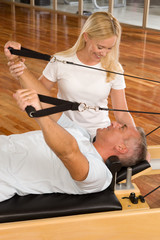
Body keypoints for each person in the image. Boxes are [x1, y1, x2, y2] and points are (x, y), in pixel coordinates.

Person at [4, 11, 135, 141]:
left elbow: (122, 113)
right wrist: (19, 67)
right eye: (100, 47)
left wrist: (138, 142)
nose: (104, 53)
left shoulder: (114, 68)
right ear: (86, 37)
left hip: (100, 135)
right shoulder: (60, 60)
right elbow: (37, 93)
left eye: (109, 48)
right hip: (66, 131)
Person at [0, 87, 147, 203]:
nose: (114, 123)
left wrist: (39, 114)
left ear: (121, 148)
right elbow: (47, 103)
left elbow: (68, 153)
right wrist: (19, 66)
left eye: (121, 128)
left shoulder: (100, 174)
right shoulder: (81, 134)